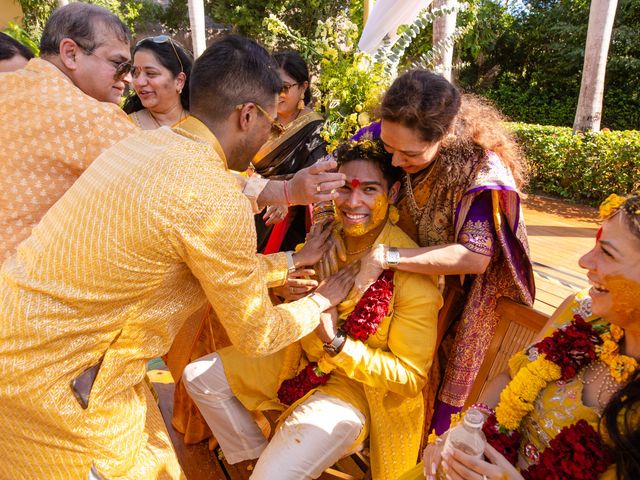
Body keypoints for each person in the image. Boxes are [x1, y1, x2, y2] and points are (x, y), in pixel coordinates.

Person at [0, 34, 354, 480]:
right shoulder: (211, 198)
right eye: (273, 126)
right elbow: (256, 333)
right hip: (56, 386)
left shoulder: (142, 143)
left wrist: (289, 262)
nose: (270, 135)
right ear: (247, 115)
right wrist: (321, 302)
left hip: (25, 341)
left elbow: (188, 255)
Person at [183, 139, 443, 480]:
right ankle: (258, 458)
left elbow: (409, 380)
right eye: (343, 189)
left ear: (392, 193)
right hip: (296, 359)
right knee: (199, 378)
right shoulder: (326, 236)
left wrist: (335, 341)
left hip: (358, 391)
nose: (353, 203)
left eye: (369, 190)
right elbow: (295, 297)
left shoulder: (410, 268)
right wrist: (285, 290)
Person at [401, 192, 640, 480]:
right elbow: (512, 377)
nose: (584, 260)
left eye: (608, 253)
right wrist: (466, 429)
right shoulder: (581, 310)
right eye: (595, 246)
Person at [347, 69, 535, 433]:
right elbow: (337, 174)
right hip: (393, 281)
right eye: (389, 149)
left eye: (410, 154)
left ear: (445, 136)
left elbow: (476, 257)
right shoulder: (385, 133)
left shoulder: (478, 168)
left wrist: (388, 257)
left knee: (432, 391)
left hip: (457, 294)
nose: (397, 162)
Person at [0, 3, 139, 262]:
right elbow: (168, 182)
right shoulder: (94, 118)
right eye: (118, 64)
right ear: (71, 54)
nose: (128, 79)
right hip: (23, 292)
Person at [253, 51, 327, 253]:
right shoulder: (257, 117)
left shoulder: (315, 128)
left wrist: (286, 199)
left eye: (284, 87)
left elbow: (315, 181)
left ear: (303, 87)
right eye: (271, 85)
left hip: (285, 224)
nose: (277, 94)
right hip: (247, 205)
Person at [123, 35, 193, 129]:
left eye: (151, 73)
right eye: (135, 73)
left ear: (179, 81)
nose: (139, 82)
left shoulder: (202, 126)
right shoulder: (124, 126)